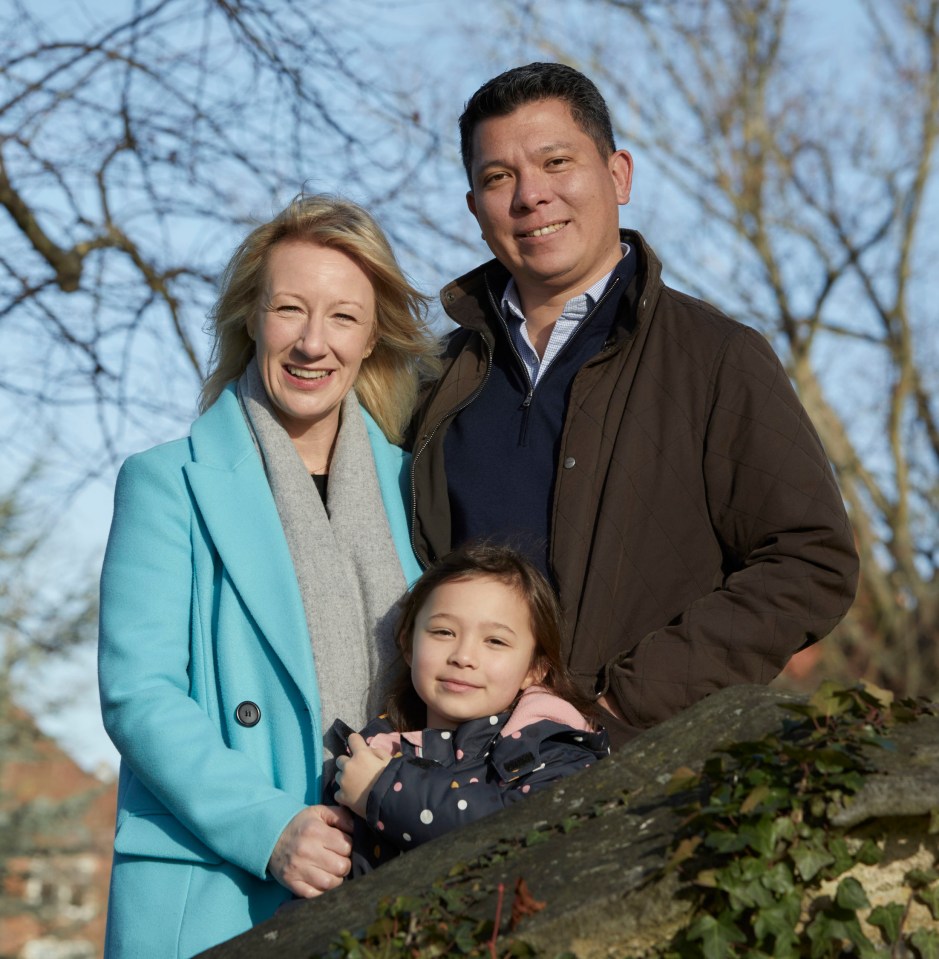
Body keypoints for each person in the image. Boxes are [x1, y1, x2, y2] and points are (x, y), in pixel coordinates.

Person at [409, 62, 860, 749]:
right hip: (451, 784)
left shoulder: (713, 356)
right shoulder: (435, 381)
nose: (530, 195)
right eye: (498, 177)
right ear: (475, 208)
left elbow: (809, 560)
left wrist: (615, 706)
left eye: (555, 161)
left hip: (637, 776)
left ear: (617, 175)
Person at [97, 194, 439, 958]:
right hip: (219, 883)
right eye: (290, 308)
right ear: (252, 317)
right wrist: (268, 827)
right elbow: (139, 692)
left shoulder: (416, 487)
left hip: (390, 879)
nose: (313, 343)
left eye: (343, 317)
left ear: (372, 334)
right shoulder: (167, 481)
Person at [330, 542, 609, 874]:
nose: (463, 656)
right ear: (408, 644)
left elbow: (524, 835)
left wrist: (385, 791)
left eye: (495, 641)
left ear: (536, 669)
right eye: (443, 632)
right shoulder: (373, 750)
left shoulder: (557, 749)